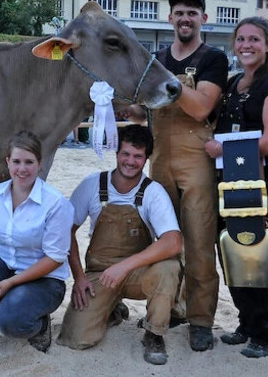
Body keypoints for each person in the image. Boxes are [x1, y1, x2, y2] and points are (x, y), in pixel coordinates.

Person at [140, 0, 229, 351]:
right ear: (170, 18)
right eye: (179, 13)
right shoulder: (157, 57)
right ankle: (169, 308)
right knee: (163, 240)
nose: (185, 19)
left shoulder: (213, 58)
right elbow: (142, 110)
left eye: (192, 13)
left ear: (203, 19)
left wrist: (168, 84)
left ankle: (200, 319)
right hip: (158, 155)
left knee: (198, 242)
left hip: (196, 158)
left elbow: (200, 108)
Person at [56, 125, 182, 366]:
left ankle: (154, 333)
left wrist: (125, 267)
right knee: (76, 338)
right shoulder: (92, 185)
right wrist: (79, 278)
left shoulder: (153, 192)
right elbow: (66, 231)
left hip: (138, 273)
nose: (130, 161)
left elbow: (173, 241)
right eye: (125, 154)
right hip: (100, 274)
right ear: (116, 153)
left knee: (169, 268)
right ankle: (112, 310)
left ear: (146, 158)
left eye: (138, 156)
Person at [204, 17, 268, 358]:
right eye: (241, 39)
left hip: (255, 179)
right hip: (227, 178)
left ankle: (266, 333)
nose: (246, 45)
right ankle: (246, 322)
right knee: (229, 249)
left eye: (254, 39)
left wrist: (222, 149)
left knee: (251, 249)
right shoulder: (234, 82)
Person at [0, 131, 73, 355]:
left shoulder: (55, 203)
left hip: (45, 278)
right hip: (5, 263)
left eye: (29, 162)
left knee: (8, 321)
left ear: (40, 164)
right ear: (8, 162)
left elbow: (56, 258)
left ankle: (40, 326)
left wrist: (12, 282)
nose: (22, 169)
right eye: (16, 161)